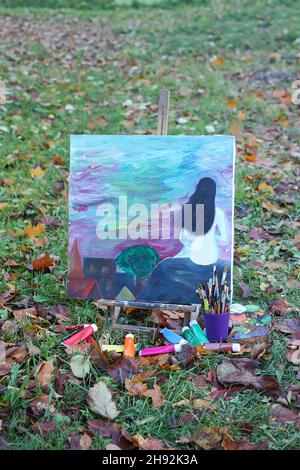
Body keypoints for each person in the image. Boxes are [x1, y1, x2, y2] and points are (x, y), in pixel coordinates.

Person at [137, 177, 229, 303]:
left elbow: (184, 239)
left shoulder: (190, 210)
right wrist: (212, 236)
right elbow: (224, 239)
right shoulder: (218, 212)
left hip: (192, 256)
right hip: (212, 257)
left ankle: (144, 304)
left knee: (162, 268)